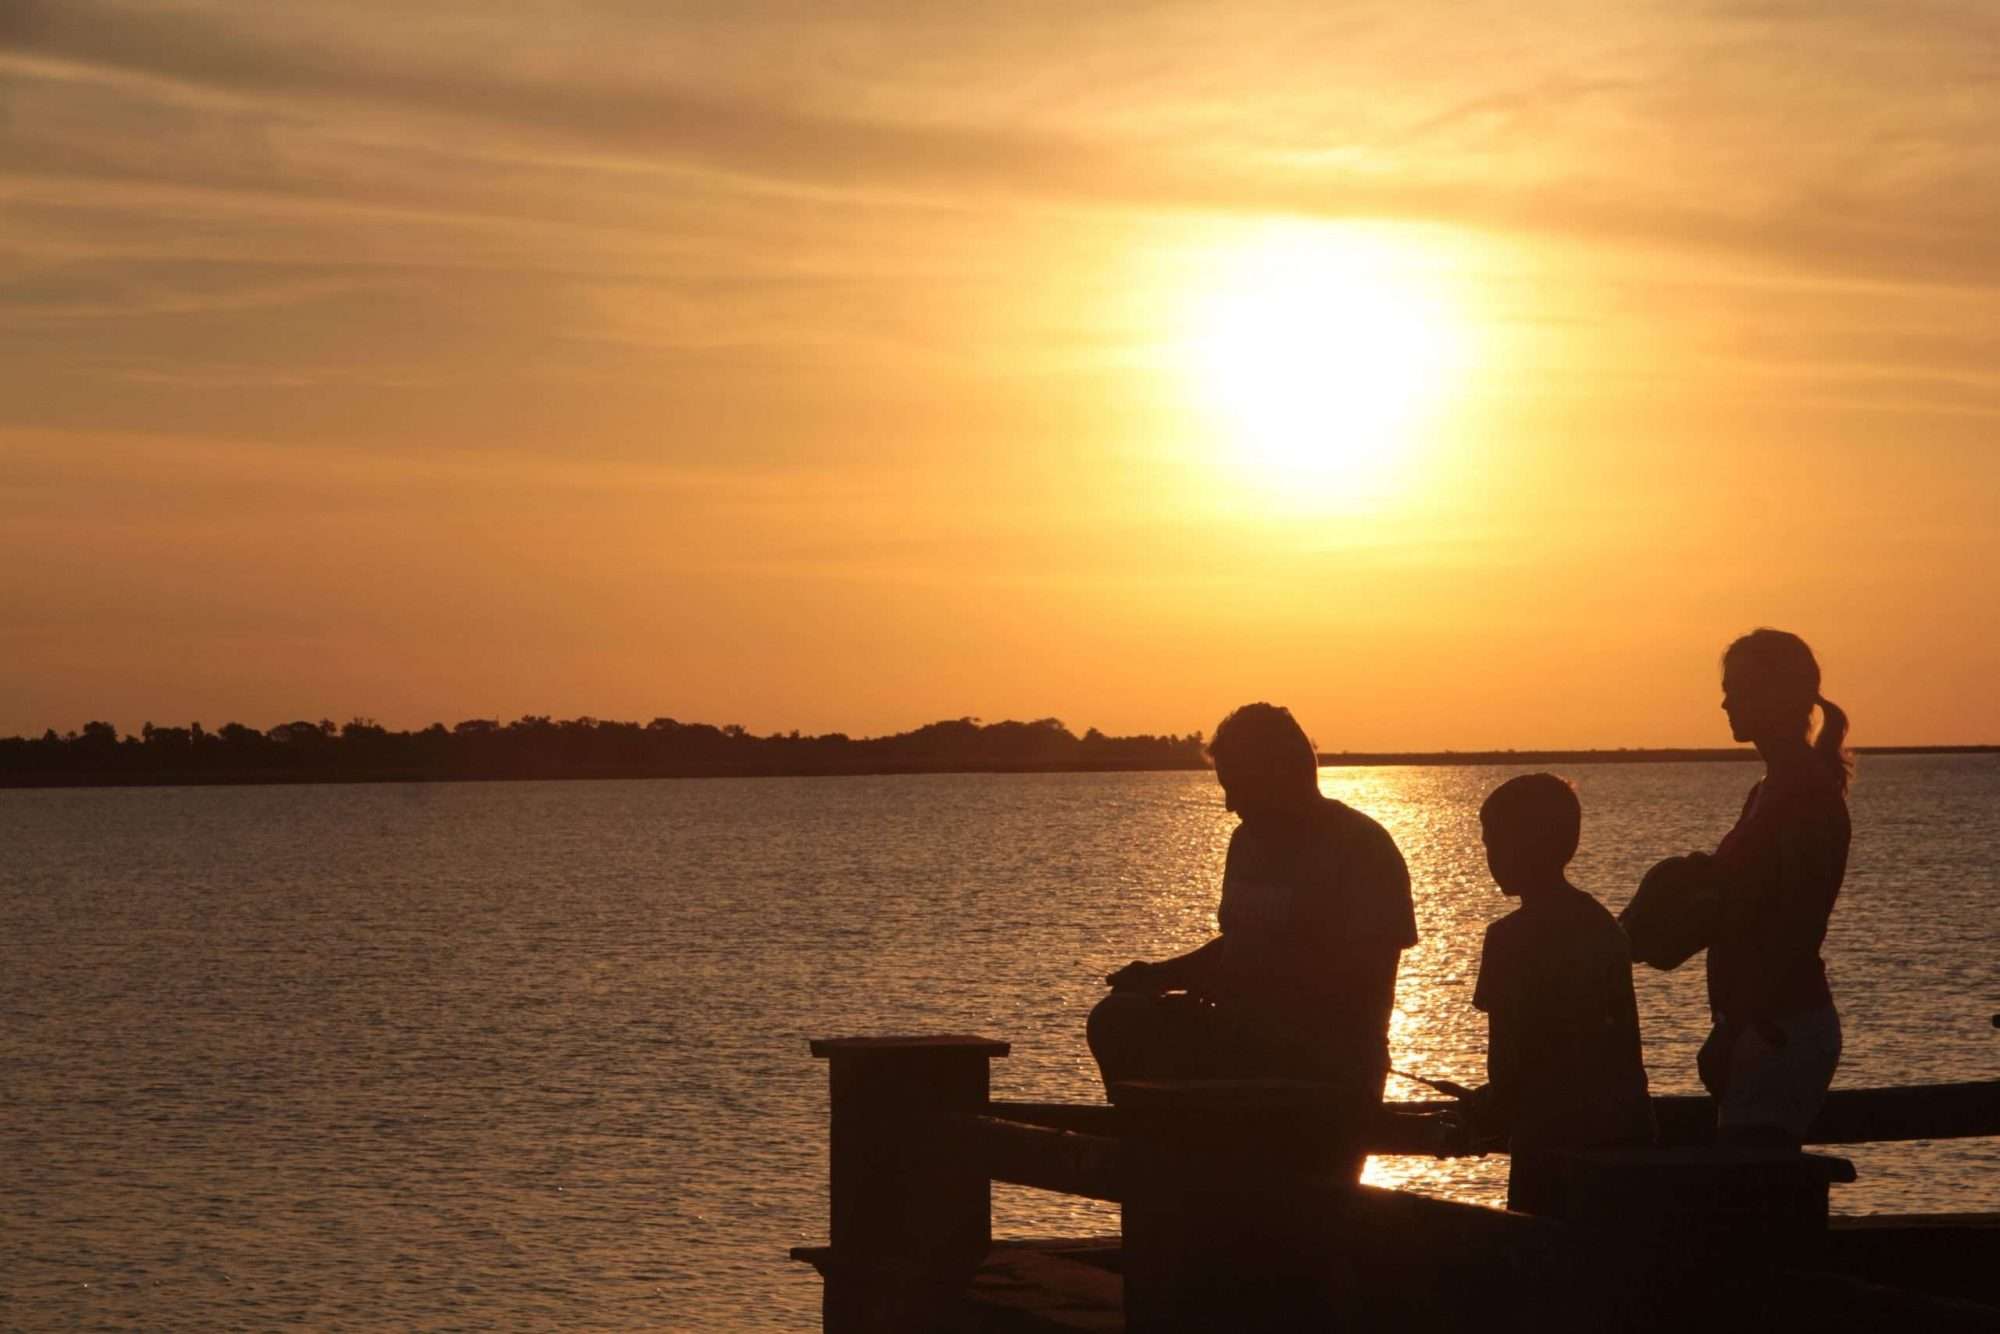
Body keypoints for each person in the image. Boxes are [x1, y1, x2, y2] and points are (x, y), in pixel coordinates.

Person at [1087, 703, 1417, 1122]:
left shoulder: (1362, 846)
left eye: (1237, 786)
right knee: (1117, 1017)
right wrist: (1159, 975)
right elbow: (1239, 945)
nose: (1229, 805)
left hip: (1324, 1055)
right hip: (1238, 1034)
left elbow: (1367, 975)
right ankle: (1147, 1140)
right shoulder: (1245, 842)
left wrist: (1248, 988)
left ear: (1279, 774)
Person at [1467, 774, 1655, 1212]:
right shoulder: (1603, 926)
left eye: (1492, 842)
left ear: (1524, 845)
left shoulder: (1507, 939)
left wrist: (1484, 1107)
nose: (1488, 856)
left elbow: (1508, 1064)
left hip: (1548, 1145)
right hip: (1623, 1138)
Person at [1693, 628, 1852, 1145]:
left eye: (1737, 687)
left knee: (1752, 1194)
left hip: (1778, 1023)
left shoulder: (1802, 790)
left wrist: (1739, 1025)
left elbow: (1794, 923)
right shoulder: (1770, 788)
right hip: (1764, 1021)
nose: (1724, 701)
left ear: (1776, 695)